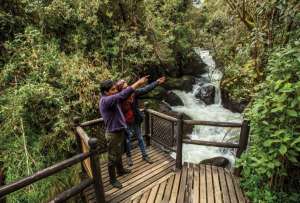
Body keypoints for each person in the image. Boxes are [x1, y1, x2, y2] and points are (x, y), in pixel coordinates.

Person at [99, 76, 149, 188]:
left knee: (119, 153)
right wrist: (138, 83)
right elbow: (122, 95)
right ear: (105, 92)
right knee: (112, 157)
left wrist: (119, 84)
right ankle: (112, 180)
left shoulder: (109, 96)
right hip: (113, 133)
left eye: (114, 88)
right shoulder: (106, 101)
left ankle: (120, 170)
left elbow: (118, 91)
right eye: (112, 90)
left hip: (120, 130)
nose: (115, 90)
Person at [116, 76, 166, 166]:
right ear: (120, 90)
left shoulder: (133, 93)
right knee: (127, 140)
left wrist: (156, 82)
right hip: (126, 122)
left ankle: (145, 155)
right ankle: (129, 158)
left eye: (127, 86)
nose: (127, 88)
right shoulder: (119, 99)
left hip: (136, 120)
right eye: (124, 88)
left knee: (140, 138)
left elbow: (145, 89)